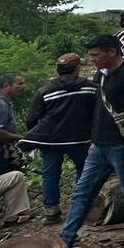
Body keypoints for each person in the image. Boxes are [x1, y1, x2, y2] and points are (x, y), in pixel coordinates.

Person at [60, 34, 124, 248]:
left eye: (95, 55)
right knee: (82, 191)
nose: (91, 59)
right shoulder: (101, 75)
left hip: (121, 145)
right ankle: (65, 238)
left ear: (111, 52)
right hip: (99, 145)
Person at [23, 53, 96, 223]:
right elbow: (98, 113)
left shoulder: (45, 91)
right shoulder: (91, 88)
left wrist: (36, 135)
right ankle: (80, 207)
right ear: (77, 68)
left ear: (58, 70)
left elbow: (32, 119)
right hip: (80, 140)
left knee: (50, 175)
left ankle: (52, 212)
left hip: (50, 141)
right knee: (84, 172)